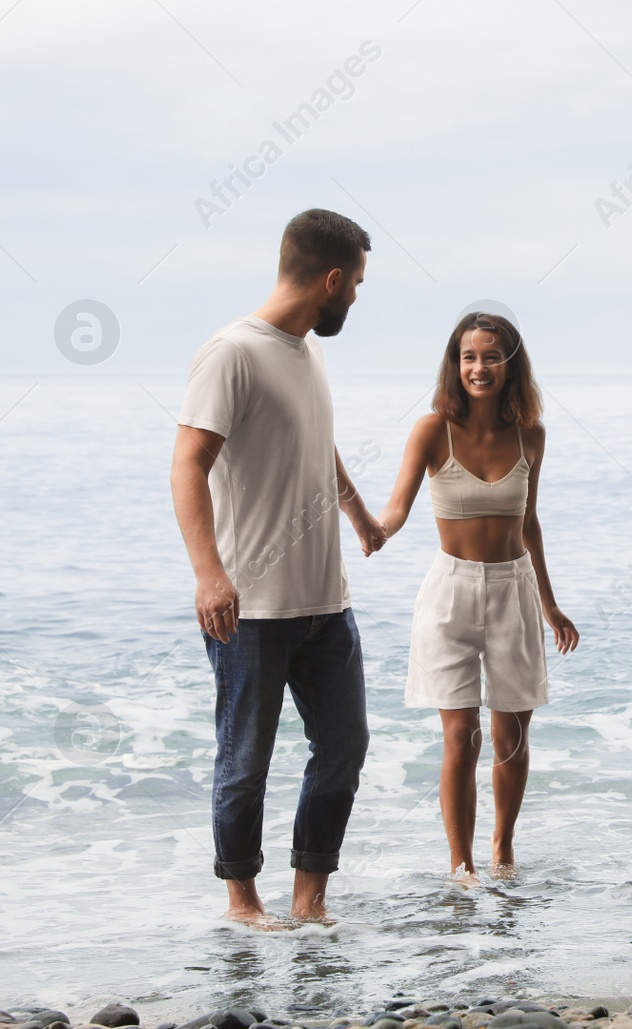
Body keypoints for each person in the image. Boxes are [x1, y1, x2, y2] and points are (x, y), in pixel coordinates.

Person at [170, 208, 386, 927]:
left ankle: (310, 901)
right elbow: (187, 465)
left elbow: (318, 446)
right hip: (251, 607)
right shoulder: (232, 352)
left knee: (345, 746)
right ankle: (241, 902)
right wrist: (209, 573)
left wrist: (358, 515)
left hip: (327, 601)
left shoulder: (307, 350)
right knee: (245, 760)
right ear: (330, 278)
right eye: (354, 283)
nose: (355, 296)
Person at [377, 311, 579, 882]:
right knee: (460, 737)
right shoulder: (431, 430)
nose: (479, 367)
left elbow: (529, 522)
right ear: (455, 364)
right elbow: (396, 510)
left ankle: (503, 851)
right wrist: (373, 530)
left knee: (510, 737)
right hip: (450, 593)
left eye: (491, 356)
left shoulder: (531, 435)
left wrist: (550, 603)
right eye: (468, 357)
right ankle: (461, 866)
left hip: (513, 589)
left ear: (509, 365)